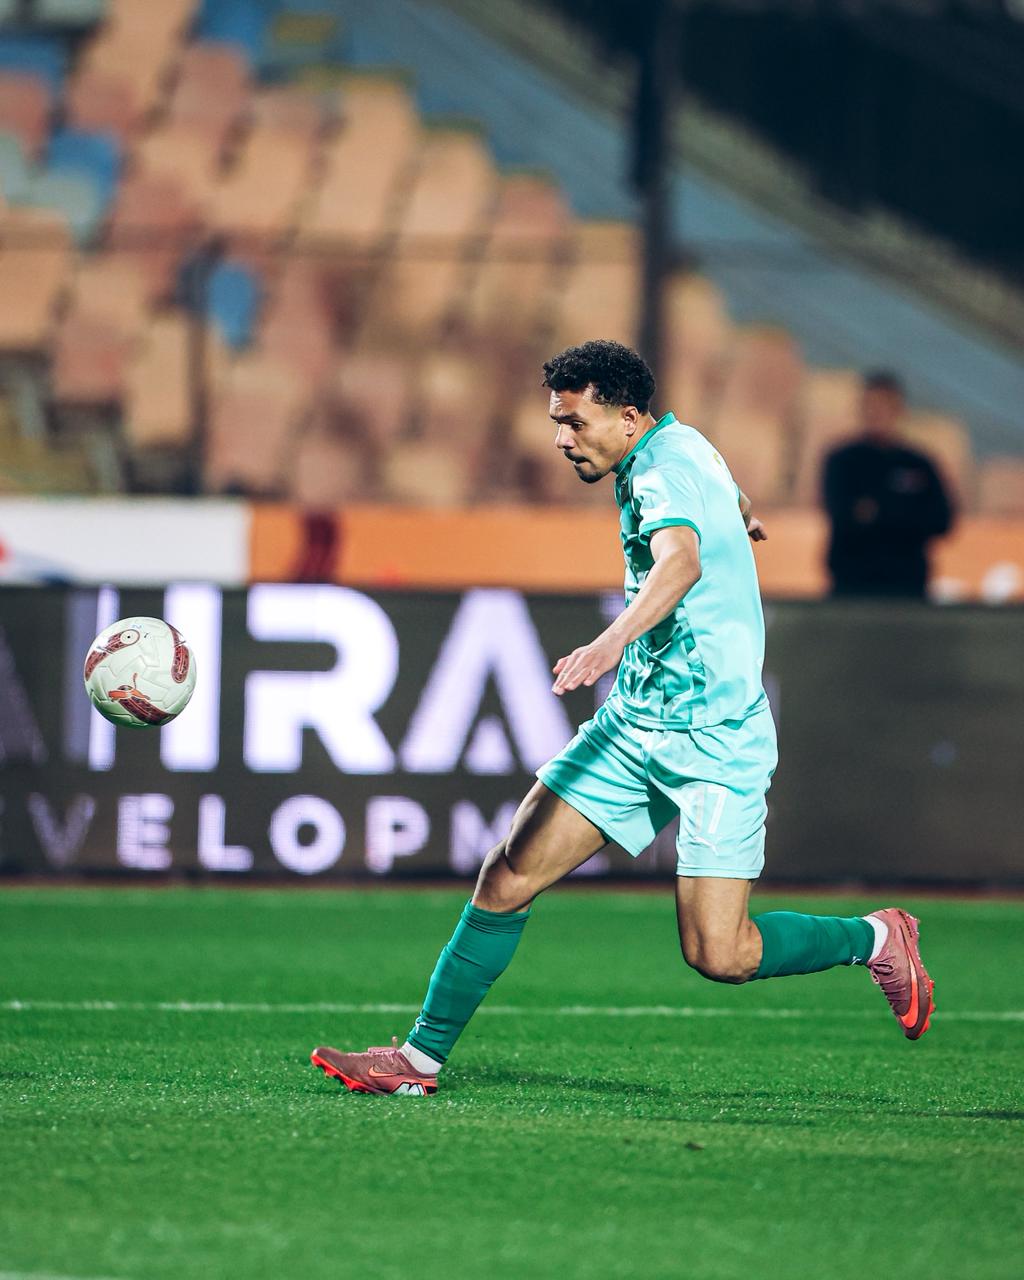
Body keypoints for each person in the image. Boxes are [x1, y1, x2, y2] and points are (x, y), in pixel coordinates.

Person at [311, 341, 935, 1097]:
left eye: (574, 422)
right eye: (557, 421)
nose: (561, 438)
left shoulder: (662, 471)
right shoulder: (679, 446)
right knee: (507, 874)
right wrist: (741, 514)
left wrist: (609, 643)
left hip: (716, 738)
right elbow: (720, 494)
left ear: (629, 417)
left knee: (721, 953)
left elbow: (681, 562)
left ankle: (875, 937)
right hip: (636, 724)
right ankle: (418, 1061)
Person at [823, 371, 954, 598]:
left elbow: (941, 521)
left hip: (908, 586)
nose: (877, 413)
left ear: (899, 409)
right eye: (871, 406)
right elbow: (843, 514)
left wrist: (877, 512)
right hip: (852, 585)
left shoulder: (919, 463)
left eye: (884, 406)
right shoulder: (842, 461)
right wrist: (907, 514)